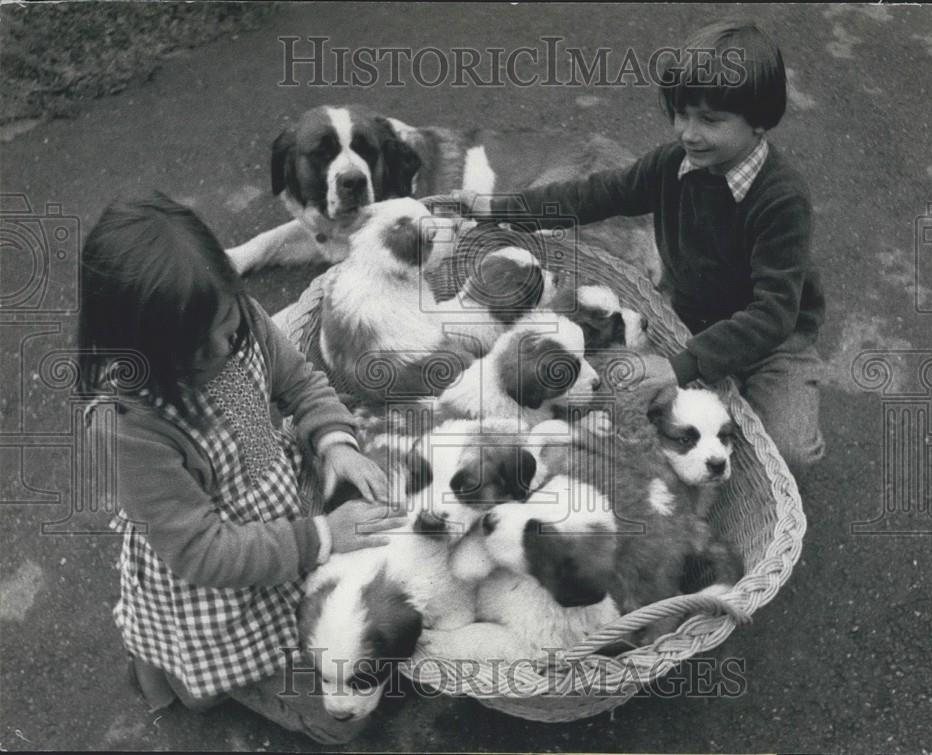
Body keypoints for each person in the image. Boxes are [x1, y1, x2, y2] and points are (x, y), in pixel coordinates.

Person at [79, 192, 406, 744]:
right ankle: (193, 676)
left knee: (360, 630)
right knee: (341, 722)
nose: (220, 352)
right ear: (134, 347)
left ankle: (191, 670)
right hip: (218, 582)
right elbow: (203, 552)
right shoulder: (130, 426)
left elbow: (300, 383)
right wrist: (322, 535)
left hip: (278, 511)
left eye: (227, 331)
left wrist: (335, 442)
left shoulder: (236, 322)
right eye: (191, 352)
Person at [455, 20, 825, 477]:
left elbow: (774, 314)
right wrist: (500, 208)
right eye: (681, 113)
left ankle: (752, 405)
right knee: (614, 405)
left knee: (787, 453)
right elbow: (591, 195)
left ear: (759, 122)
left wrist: (681, 368)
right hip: (683, 319)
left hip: (773, 344)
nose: (688, 133)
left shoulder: (780, 199)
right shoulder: (673, 165)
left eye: (710, 120)